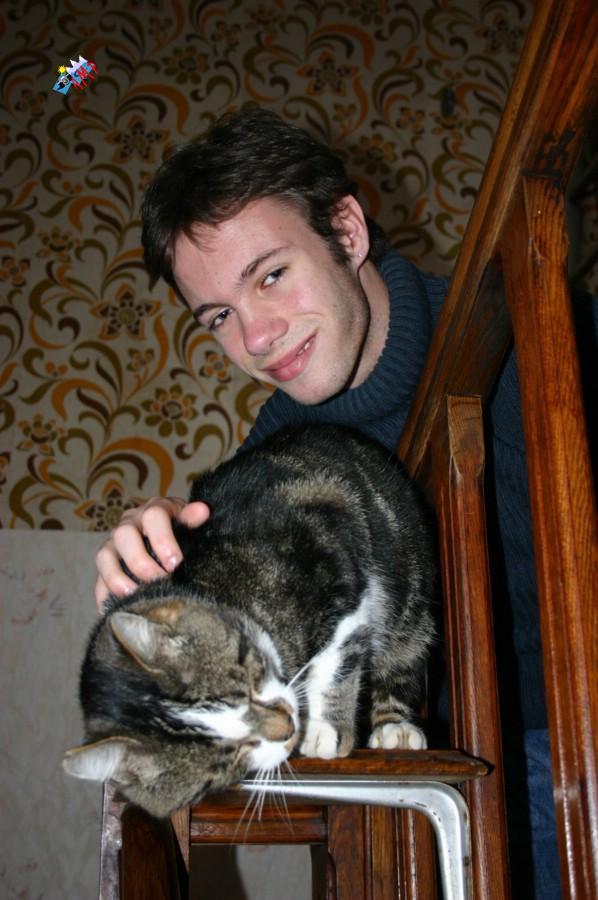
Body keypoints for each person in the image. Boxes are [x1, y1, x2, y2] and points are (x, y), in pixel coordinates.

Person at [94, 106, 597, 898]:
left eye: (270, 275)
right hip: (456, 775)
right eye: (219, 316)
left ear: (348, 232)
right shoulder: (274, 458)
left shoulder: (528, 329)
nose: (256, 338)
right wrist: (151, 564)